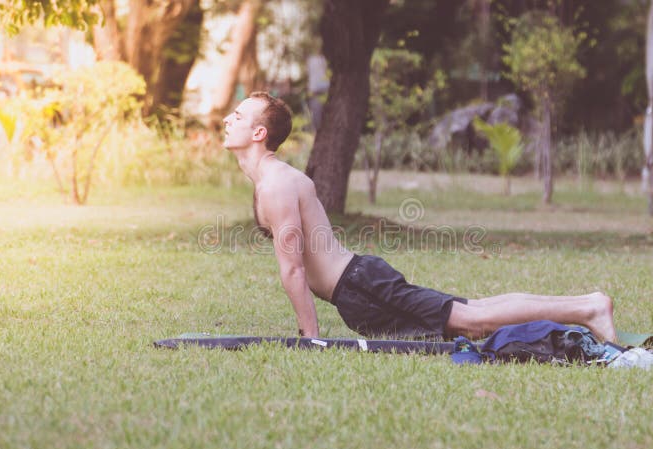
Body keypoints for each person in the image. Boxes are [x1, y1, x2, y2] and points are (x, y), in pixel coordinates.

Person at [222, 92, 616, 342]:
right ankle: (585, 305)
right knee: (473, 310)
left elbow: (292, 270)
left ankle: (589, 309)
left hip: (361, 287)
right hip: (360, 284)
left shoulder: (275, 184)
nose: (228, 119)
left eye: (238, 116)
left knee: (472, 320)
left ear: (259, 134)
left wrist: (311, 336)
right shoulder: (272, 181)